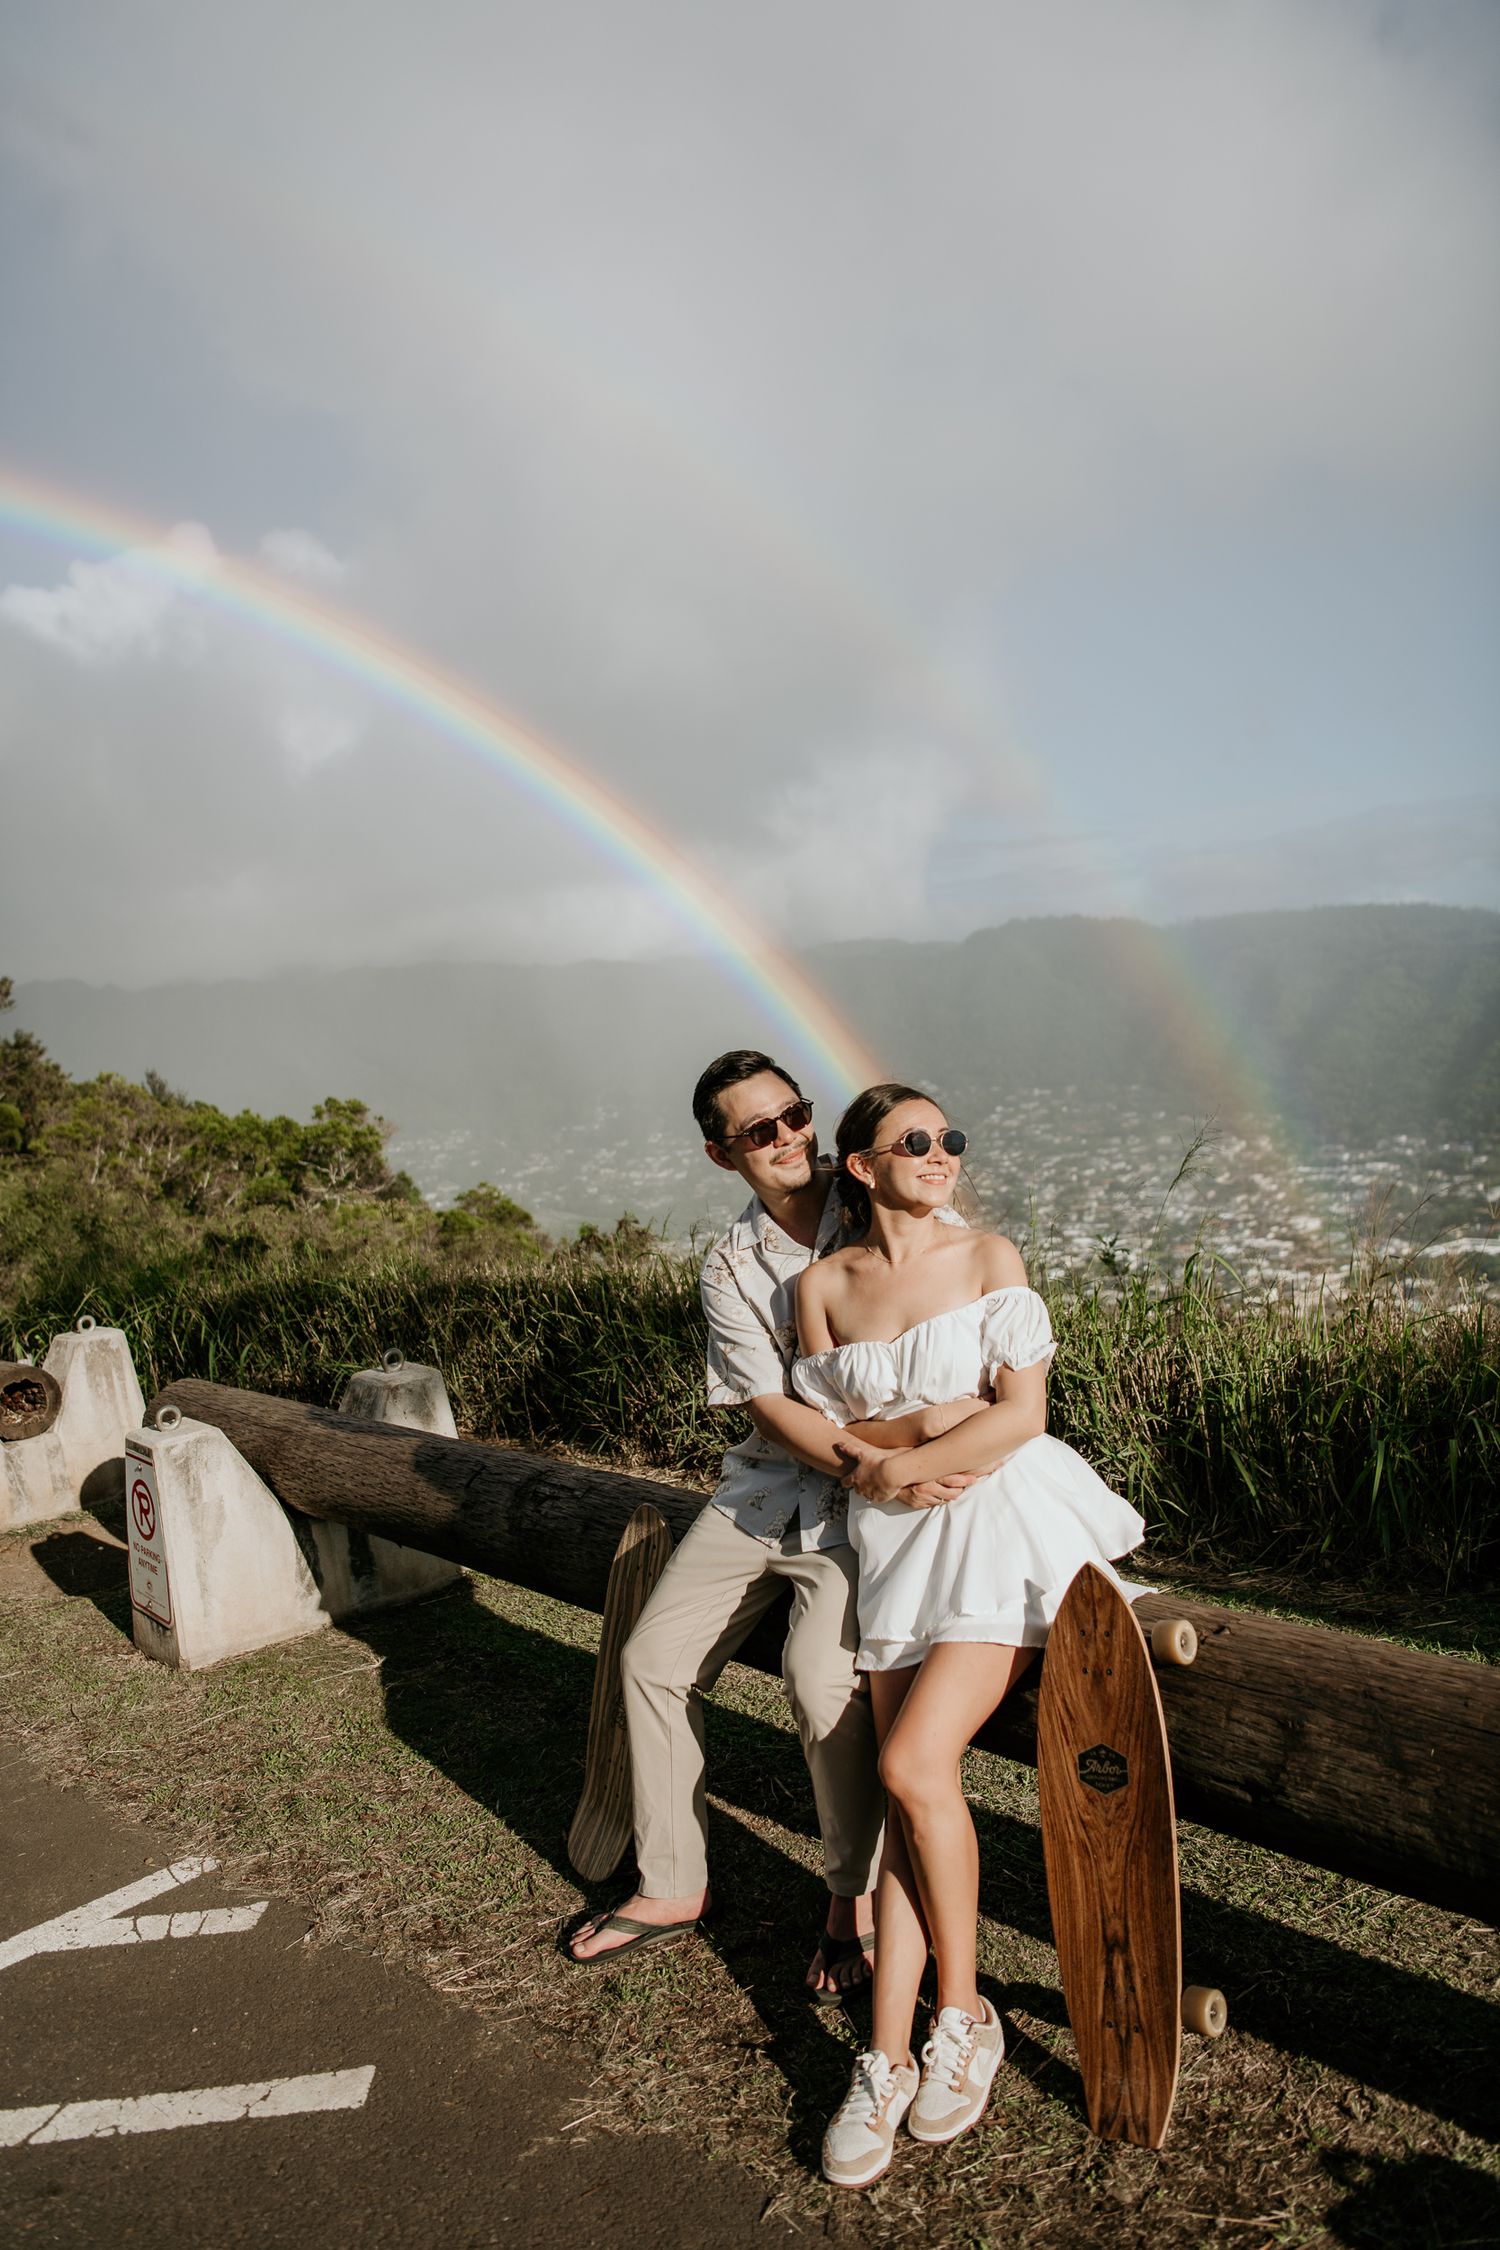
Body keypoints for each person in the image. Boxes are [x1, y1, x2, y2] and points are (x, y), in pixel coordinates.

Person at [792, 1082, 1146, 2189]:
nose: (941, 1154)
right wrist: (923, 1434)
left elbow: (1023, 1416)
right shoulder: (821, 1286)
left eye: (950, 1139)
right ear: (860, 1164)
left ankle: (964, 2016)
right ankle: (887, 2056)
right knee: (909, 1799)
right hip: (894, 1547)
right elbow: (836, 1430)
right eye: (916, 1141)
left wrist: (910, 1450)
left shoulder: (991, 1255)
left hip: (999, 1527)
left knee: (910, 1761)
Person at [567, 1051, 980, 1998]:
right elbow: (769, 1409)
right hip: (766, 1491)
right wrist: (878, 1457)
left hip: (864, 1512)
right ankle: (672, 1883)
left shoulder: (878, 1191)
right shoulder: (729, 1268)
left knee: (821, 1676)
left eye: (795, 1115)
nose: (790, 1138)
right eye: (761, 1130)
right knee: (650, 1661)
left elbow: (960, 1314)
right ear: (724, 1155)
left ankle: (853, 1898)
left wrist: (897, 1465)